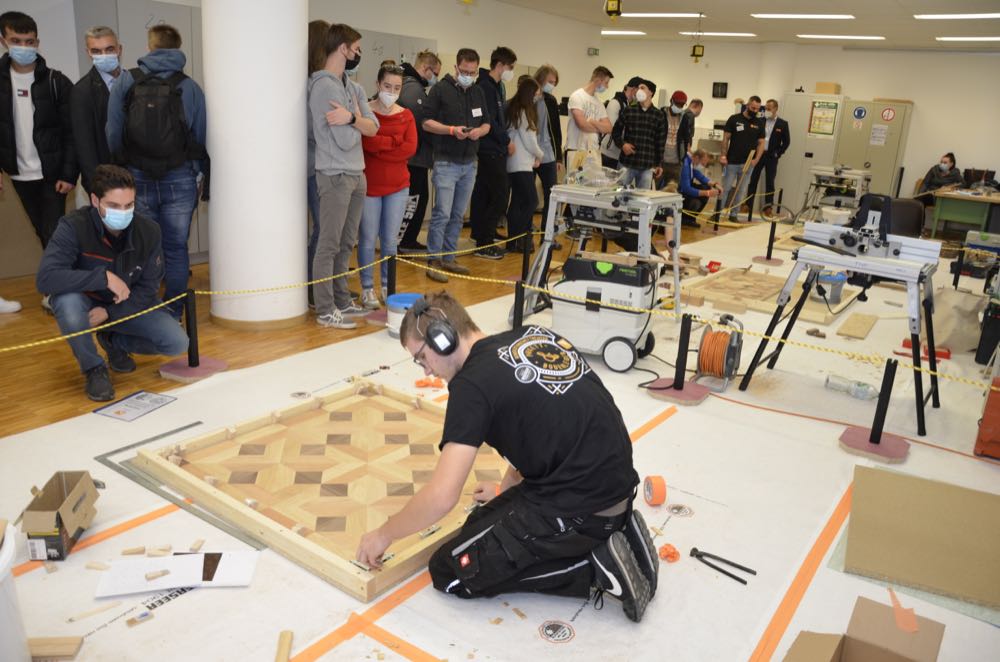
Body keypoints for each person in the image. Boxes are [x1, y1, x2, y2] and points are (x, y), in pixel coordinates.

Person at [356, 291, 658, 622]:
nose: (426, 371)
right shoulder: (532, 334)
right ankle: (619, 531)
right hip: (612, 488)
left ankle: (596, 567)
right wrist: (504, 492)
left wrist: (383, 535)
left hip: (583, 507)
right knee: (477, 524)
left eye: (422, 357)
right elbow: (542, 426)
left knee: (452, 571)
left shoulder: (471, 387)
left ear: (442, 340)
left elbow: (442, 497)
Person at [36, 164, 188, 401]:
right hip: (82, 299)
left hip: (121, 305)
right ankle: (94, 368)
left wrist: (109, 312)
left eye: (129, 205)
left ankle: (113, 341)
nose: (123, 212)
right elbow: (46, 278)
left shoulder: (149, 231)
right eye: (114, 206)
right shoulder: (73, 226)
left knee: (177, 343)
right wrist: (103, 277)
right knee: (68, 304)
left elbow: (148, 289)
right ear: (95, 201)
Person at [106, 23, 207, 318]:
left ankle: (142, 311)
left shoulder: (126, 81)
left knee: (141, 248)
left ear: (150, 47)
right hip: (179, 177)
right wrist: (197, 172)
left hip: (136, 177)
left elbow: (113, 131)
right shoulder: (190, 87)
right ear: (178, 48)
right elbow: (199, 136)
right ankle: (174, 314)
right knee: (176, 250)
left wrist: (123, 165)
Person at [308, 23, 379, 329]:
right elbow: (346, 140)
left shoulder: (350, 85)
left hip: (356, 173)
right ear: (343, 48)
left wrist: (352, 118)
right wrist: (358, 124)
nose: (358, 53)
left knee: (346, 242)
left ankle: (340, 299)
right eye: (357, 48)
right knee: (329, 243)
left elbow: (373, 127)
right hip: (335, 173)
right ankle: (325, 309)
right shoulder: (323, 86)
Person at [0, 11, 76, 255]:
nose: (24, 47)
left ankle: (58, 288)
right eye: (16, 41)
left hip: (52, 175)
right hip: (18, 174)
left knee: (54, 234)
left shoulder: (57, 81)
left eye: (29, 41)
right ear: (3, 41)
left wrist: (68, 173)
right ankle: (58, 286)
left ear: (37, 42)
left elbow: (71, 132)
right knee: (42, 232)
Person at [420, 48, 490, 283]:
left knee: (458, 215)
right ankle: (434, 260)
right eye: (465, 71)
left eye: (473, 71)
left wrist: (479, 131)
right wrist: (451, 130)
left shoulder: (478, 91)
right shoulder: (440, 90)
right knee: (442, 213)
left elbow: (487, 124)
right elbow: (426, 122)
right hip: (446, 161)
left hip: (470, 162)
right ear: (456, 68)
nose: (468, 75)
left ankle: (449, 258)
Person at [358, 65, 417, 308]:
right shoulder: (366, 112)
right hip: (370, 186)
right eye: (387, 87)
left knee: (390, 240)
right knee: (368, 239)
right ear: (377, 85)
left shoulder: (407, 115)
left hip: (398, 186)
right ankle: (367, 288)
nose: (391, 92)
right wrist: (393, 143)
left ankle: (386, 284)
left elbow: (409, 149)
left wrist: (381, 144)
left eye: (396, 88)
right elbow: (366, 144)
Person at [470, 46, 516, 260]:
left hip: (493, 147)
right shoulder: (486, 87)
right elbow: (488, 120)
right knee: (500, 194)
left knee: (484, 193)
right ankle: (484, 242)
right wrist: (506, 140)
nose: (511, 71)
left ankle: (480, 233)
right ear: (500, 65)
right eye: (510, 67)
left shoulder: (496, 86)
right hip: (490, 148)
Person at [397, 50, 441, 253]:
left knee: (420, 198)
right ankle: (403, 241)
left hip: (418, 157)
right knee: (413, 200)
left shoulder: (413, 86)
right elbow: (421, 123)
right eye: (436, 73)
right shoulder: (412, 89)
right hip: (412, 157)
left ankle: (408, 240)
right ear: (425, 68)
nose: (436, 78)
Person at [71, 26, 123, 196]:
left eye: (109, 49)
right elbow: (84, 146)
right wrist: (99, 188)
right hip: (107, 181)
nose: (104, 55)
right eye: (96, 51)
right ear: (88, 53)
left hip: (139, 177)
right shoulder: (82, 91)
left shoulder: (135, 82)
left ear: (119, 49)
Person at [504, 77, 544, 254]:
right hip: (520, 164)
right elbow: (529, 140)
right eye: (536, 94)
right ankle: (518, 238)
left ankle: (514, 241)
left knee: (518, 202)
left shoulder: (517, 109)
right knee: (530, 201)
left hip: (518, 163)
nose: (537, 97)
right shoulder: (523, 111)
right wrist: (540, 154)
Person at [306, 18, 330, 307]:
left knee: (326, 231)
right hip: (317, 166)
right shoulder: (316, 83)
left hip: (318, 164)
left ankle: (321, 286)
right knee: (324, 231)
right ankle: (315, 288)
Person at [611, 79, 665, 190]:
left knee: (642, 200)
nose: (638, 90)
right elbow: (615, 132)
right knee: (618, 196)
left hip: (646, 166)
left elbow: (660, 142)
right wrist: (623, 145)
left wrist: (659, 164)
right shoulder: (629, 110)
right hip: (626, 163)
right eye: (638, 88)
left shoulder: (659, 115)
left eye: (642, 88)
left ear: (651, 92)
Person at [718, 95, 764, 222]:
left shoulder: (759, 123)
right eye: (753, 108)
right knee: (725, 188)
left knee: (741, 190)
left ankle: (734, 215)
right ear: (748, 105)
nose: (754, 111)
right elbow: (726, 138)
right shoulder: (734, 119)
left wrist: (757, 159)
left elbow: (761, 143)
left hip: (748, 163)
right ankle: (718, 213)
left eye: (757, 109)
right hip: (731, 161)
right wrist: (723, 155)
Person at [746, 98, 789, 217]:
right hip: (758, 154)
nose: (767, 110)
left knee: (770, 182)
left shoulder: (783, 124)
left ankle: (768, 207)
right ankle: (747, 204)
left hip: (771, 156)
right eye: (766, 108)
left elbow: (786, 142)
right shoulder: (759, 121)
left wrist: (778, 153)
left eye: (769, 108)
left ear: (776, 109)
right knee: (753, 179)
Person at [565, 66, 613, 171]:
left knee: (593, 185)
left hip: (593, 152)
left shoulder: (599, 102)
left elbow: (609, 128)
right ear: (598, 80)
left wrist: (592, 122)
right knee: (575, 184)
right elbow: (582, 125)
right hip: (577, 150)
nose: (607, 86)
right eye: (606, 83)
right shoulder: (577, 96)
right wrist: (599, 127)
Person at [532, 64, 562, 238]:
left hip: (548, 154)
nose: (552, 85)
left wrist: (558, 157)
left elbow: (555, 131)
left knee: (551, 195)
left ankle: (547, 235)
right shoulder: (527, 99)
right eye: (550, 81)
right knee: (528, 198)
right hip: (528, 154)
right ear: (541, 79)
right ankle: (523, 236)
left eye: (554, 83)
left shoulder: (551, 100)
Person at [599, 76, 640, 169]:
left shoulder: (627, 105)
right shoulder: (615, 103)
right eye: (640, 90)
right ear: (634, 89)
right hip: (608, 154)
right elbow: (611, 129)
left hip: (618, 154)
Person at [679, 148, 721, 228]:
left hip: (686, 189)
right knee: (704, 193)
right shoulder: (686, 164)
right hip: (681, 192)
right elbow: (686, 189)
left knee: (706, 187)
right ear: (697, 158)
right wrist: (707, 193)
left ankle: (691, 218)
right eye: (703, 163)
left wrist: (714, 184)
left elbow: (699, 176)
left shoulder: (691, 163)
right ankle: (684, 218)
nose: (703, 166)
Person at [659, 90, 687, 188]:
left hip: (676, 163)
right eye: (677, 104)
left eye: (682, 105)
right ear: (671, 101)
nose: (679, 107)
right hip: (660, 161)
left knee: (672, 193)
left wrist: (683, 156)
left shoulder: (684, 118)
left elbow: (686, 138)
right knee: (654, 191)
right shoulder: (661, 114)